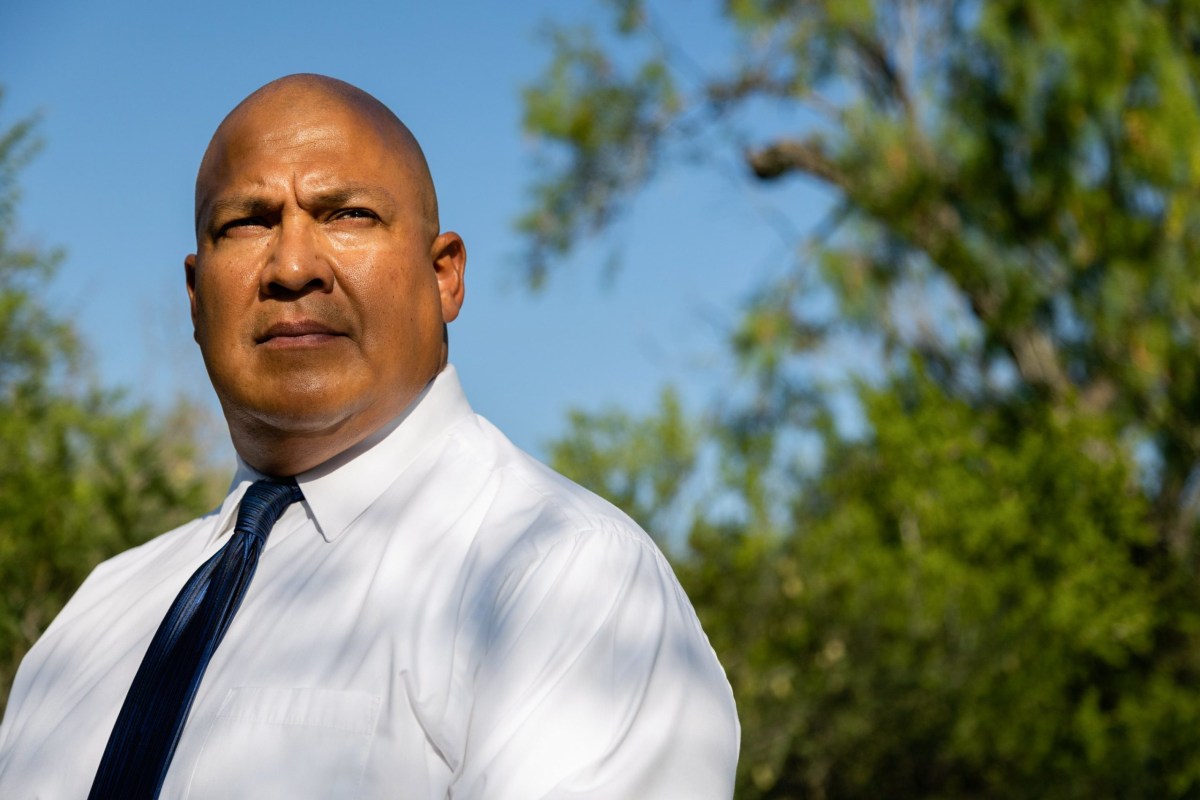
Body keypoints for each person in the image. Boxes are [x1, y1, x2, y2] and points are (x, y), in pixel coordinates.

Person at [0, 74, 740, 798]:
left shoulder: (557, 577)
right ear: (196, 299)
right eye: (248, 222)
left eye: (346, 215)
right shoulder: (95, 621)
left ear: (444, 275)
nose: (292, 267)